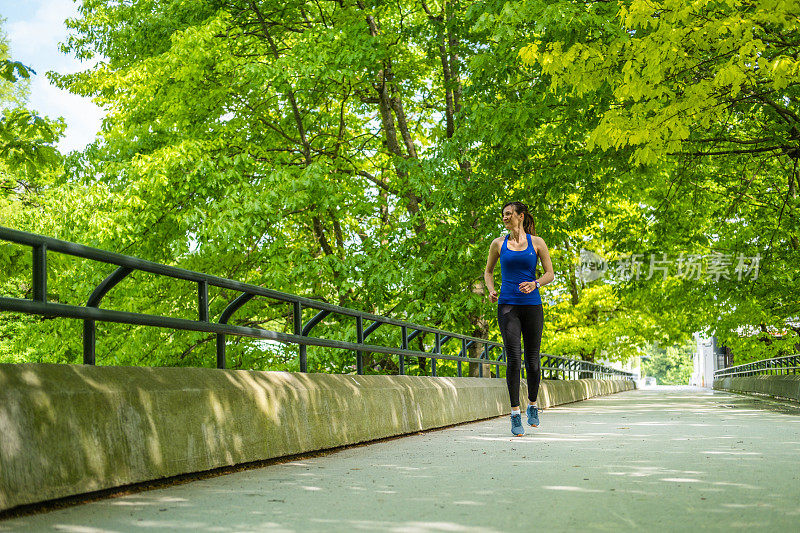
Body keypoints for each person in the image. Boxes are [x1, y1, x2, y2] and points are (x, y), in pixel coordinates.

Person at [484, 201, 554, 437]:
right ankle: (515, 414)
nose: (504, 218)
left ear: (520, 216)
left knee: (532, 360)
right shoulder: (498, 244)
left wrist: (535, 283)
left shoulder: (537, 243)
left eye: (508, 214)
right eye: (503, 215)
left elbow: (549, 274)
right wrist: (491, 289)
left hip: (532, 306)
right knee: (513, 358)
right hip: (507, 306)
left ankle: (532, 405)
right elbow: (488, 271)